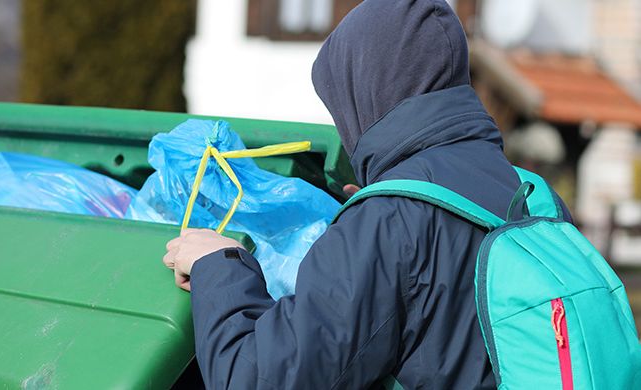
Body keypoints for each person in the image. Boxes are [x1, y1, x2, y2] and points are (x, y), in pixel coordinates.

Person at [163, 0, 572, 388]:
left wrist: (219, 267)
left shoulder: (391, 219)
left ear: (364, 92)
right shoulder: (536, 198)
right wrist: (374, 211)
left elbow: (260, 379)